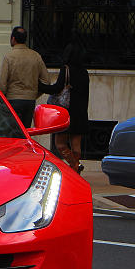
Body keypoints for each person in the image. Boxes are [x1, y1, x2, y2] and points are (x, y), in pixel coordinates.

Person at [39, 42, 90, 174]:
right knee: (76, 146)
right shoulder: (84, 72)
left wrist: (40, 87)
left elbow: (57, 88)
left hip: (66, 112)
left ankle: (75, 165)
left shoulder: (66, 69)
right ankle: (76, 167)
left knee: (60, 144)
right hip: (80, 113)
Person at [0, 26, 50, 128]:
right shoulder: (36, 56)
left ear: (13, 39)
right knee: (26, 133)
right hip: (29, 101)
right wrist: (33, 94)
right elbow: (46, 81)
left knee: (13, 134)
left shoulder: (9, 57)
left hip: (13, 100)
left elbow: (2, 84)